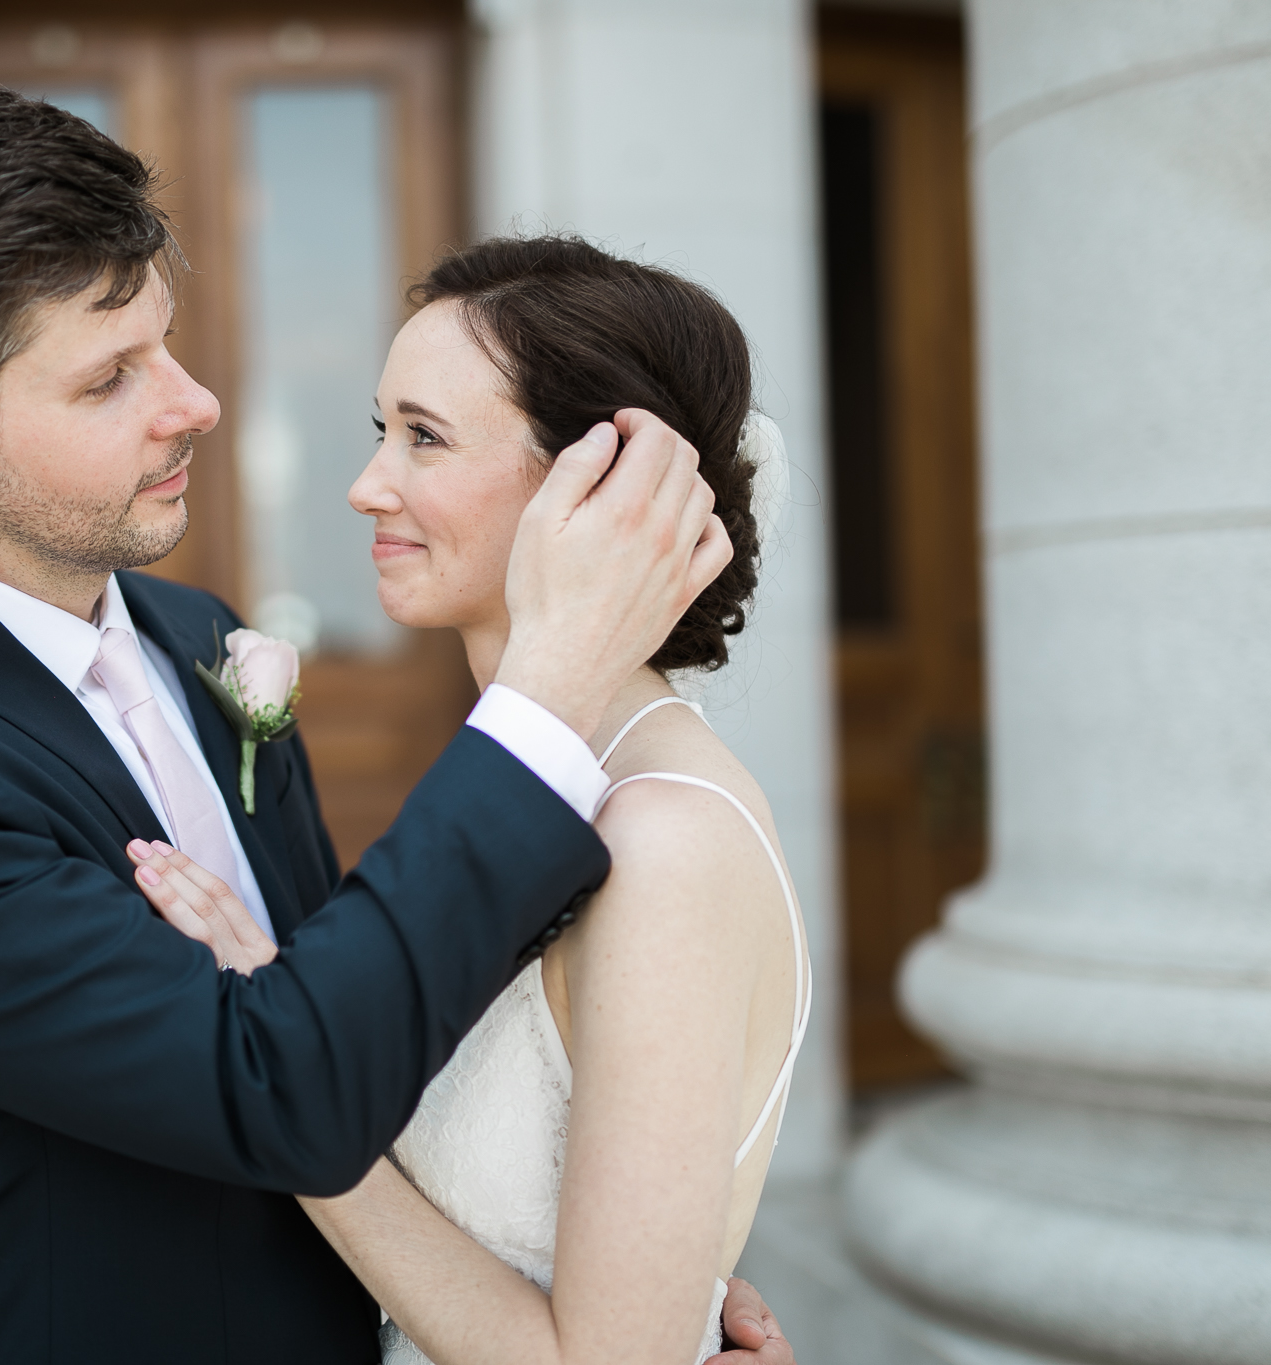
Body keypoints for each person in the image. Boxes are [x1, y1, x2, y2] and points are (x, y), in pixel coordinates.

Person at [0, 85, 797, 1364]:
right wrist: (546, 689)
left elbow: (367, 1017)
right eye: (111, 377)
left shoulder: (198, 637)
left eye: (165, 342)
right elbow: (282, 1090)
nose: (194, 404)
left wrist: (624, 1283)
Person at [124, 236, 808, 1365]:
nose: (365, 485)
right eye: (378, 430)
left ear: (594, 484)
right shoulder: (523, 787)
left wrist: (279, 1096)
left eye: (423, 438)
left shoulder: (665, 842)